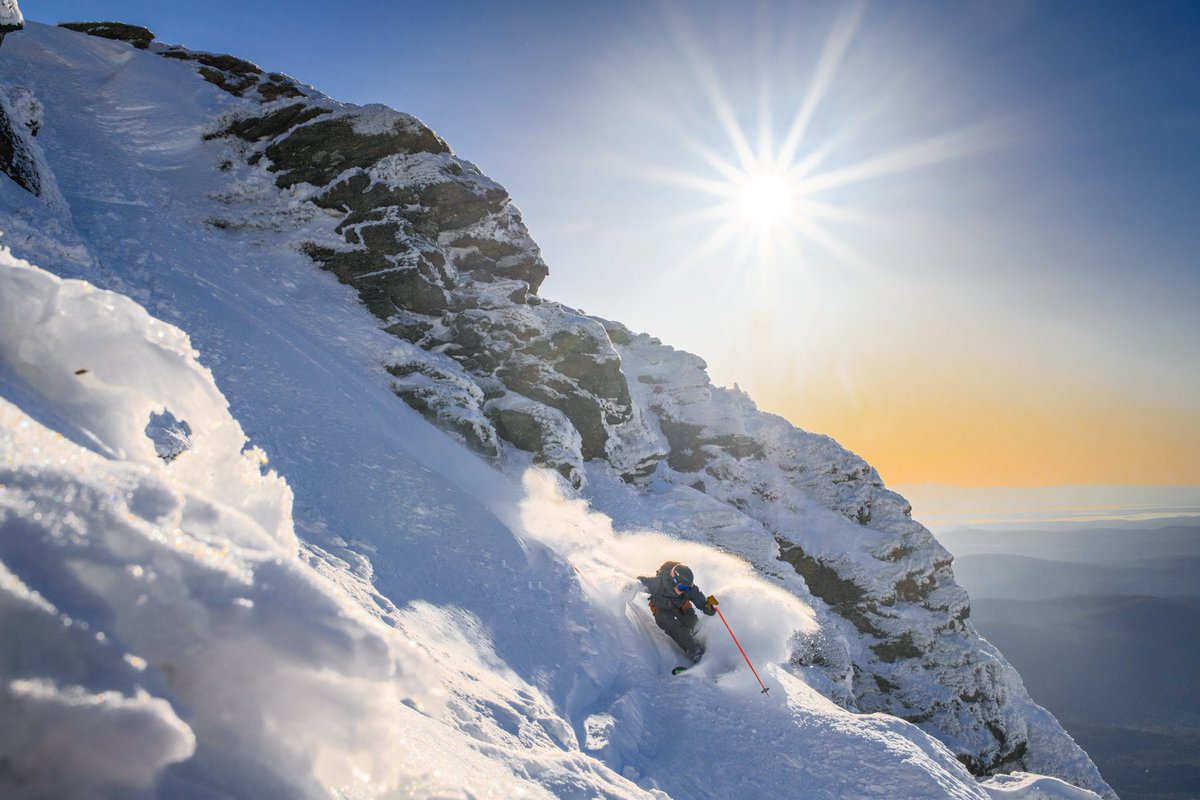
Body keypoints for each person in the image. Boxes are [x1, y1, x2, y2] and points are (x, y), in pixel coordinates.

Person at [638, 561, 718, 664]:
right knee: (670, 624)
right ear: (673, 581)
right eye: (682, 588)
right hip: (662, 609)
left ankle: (704, 641)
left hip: (681, 606)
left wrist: (708, 607)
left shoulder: (688, 588)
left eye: (688, 587)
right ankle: (694, 650)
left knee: (694, 625)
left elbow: (698, 598)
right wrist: (630, 586)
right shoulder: (658, 584)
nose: (685, 590)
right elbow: (639, 581)